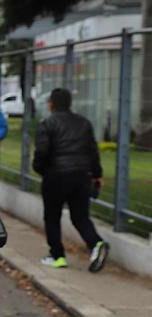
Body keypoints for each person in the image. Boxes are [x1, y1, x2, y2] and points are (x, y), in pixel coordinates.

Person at [33, 88, 109, 272]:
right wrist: (96, 175)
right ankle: (96, 243)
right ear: (69, 104)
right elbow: (93, 152)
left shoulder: (47, 123)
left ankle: (57, 255)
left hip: (55, 176)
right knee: (80, 217)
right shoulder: (84, 123)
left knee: (52, 216)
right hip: (81, 176)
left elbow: (42, 152)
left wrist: (42, 170)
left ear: (51, 103)